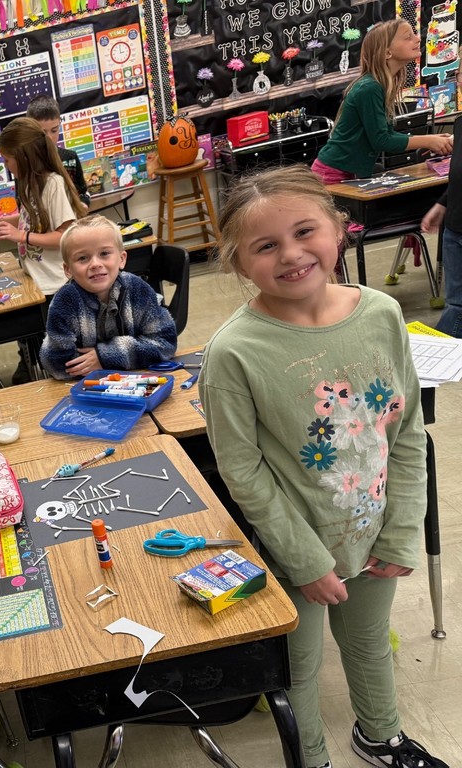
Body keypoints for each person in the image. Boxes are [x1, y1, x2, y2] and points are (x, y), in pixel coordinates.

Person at [199, 166, 444, 768]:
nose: (291, 254)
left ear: (339, 229)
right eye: (265, 245)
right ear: (238, 264)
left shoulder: (382, 312)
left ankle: (380, 736)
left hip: (375, 533)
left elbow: (406, 430)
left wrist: (402, 527)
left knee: (368, 644)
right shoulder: (233, 353)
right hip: (295, 550)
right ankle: (310, 757)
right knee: (298, 667)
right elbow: (243, 470)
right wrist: (305, 561)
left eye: (305, 231)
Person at [0, 116, 86, 383]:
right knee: (43, 351)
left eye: (7, 159)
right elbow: (28, 220)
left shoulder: (53, 183)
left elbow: (65, 234)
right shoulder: (29, 185)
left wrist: (22, 237)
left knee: (62, 355)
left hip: (56, 284)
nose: (5, 165)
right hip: (37, 284)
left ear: (24, 157)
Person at [312, 19, 452, 183]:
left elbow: (385, 134)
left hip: (349, 173)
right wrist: (428, 141)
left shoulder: (379, 85)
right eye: (408, 37)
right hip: (332, 175)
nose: (417, 39)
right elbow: (381, 140)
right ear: (387, 53)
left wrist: (435, 140)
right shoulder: (369, 88)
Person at [40, 215, 176, 379]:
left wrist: (106, 356)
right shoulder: (64, 302)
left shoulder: (137, 289)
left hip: (140, 383)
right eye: (83, 258)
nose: (95, 264)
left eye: (104, 253)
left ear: (121, 259)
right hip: (88, 390)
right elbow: (57, 363)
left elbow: (165, 342)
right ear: (68, 269)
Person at [421, 68, 462, 337]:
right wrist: (443, 204)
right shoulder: (460, 124)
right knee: (456, 306)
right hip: (455, 230)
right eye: (461, 78)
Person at [26, 94, 90, 205]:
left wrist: (83, 204)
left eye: (54, 130)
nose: (49, 138)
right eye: (42, 133)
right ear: (30, 130)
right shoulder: (25, 163)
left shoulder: (71, 157)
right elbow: (22, 203)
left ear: (59, 124)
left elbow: (83, 193)